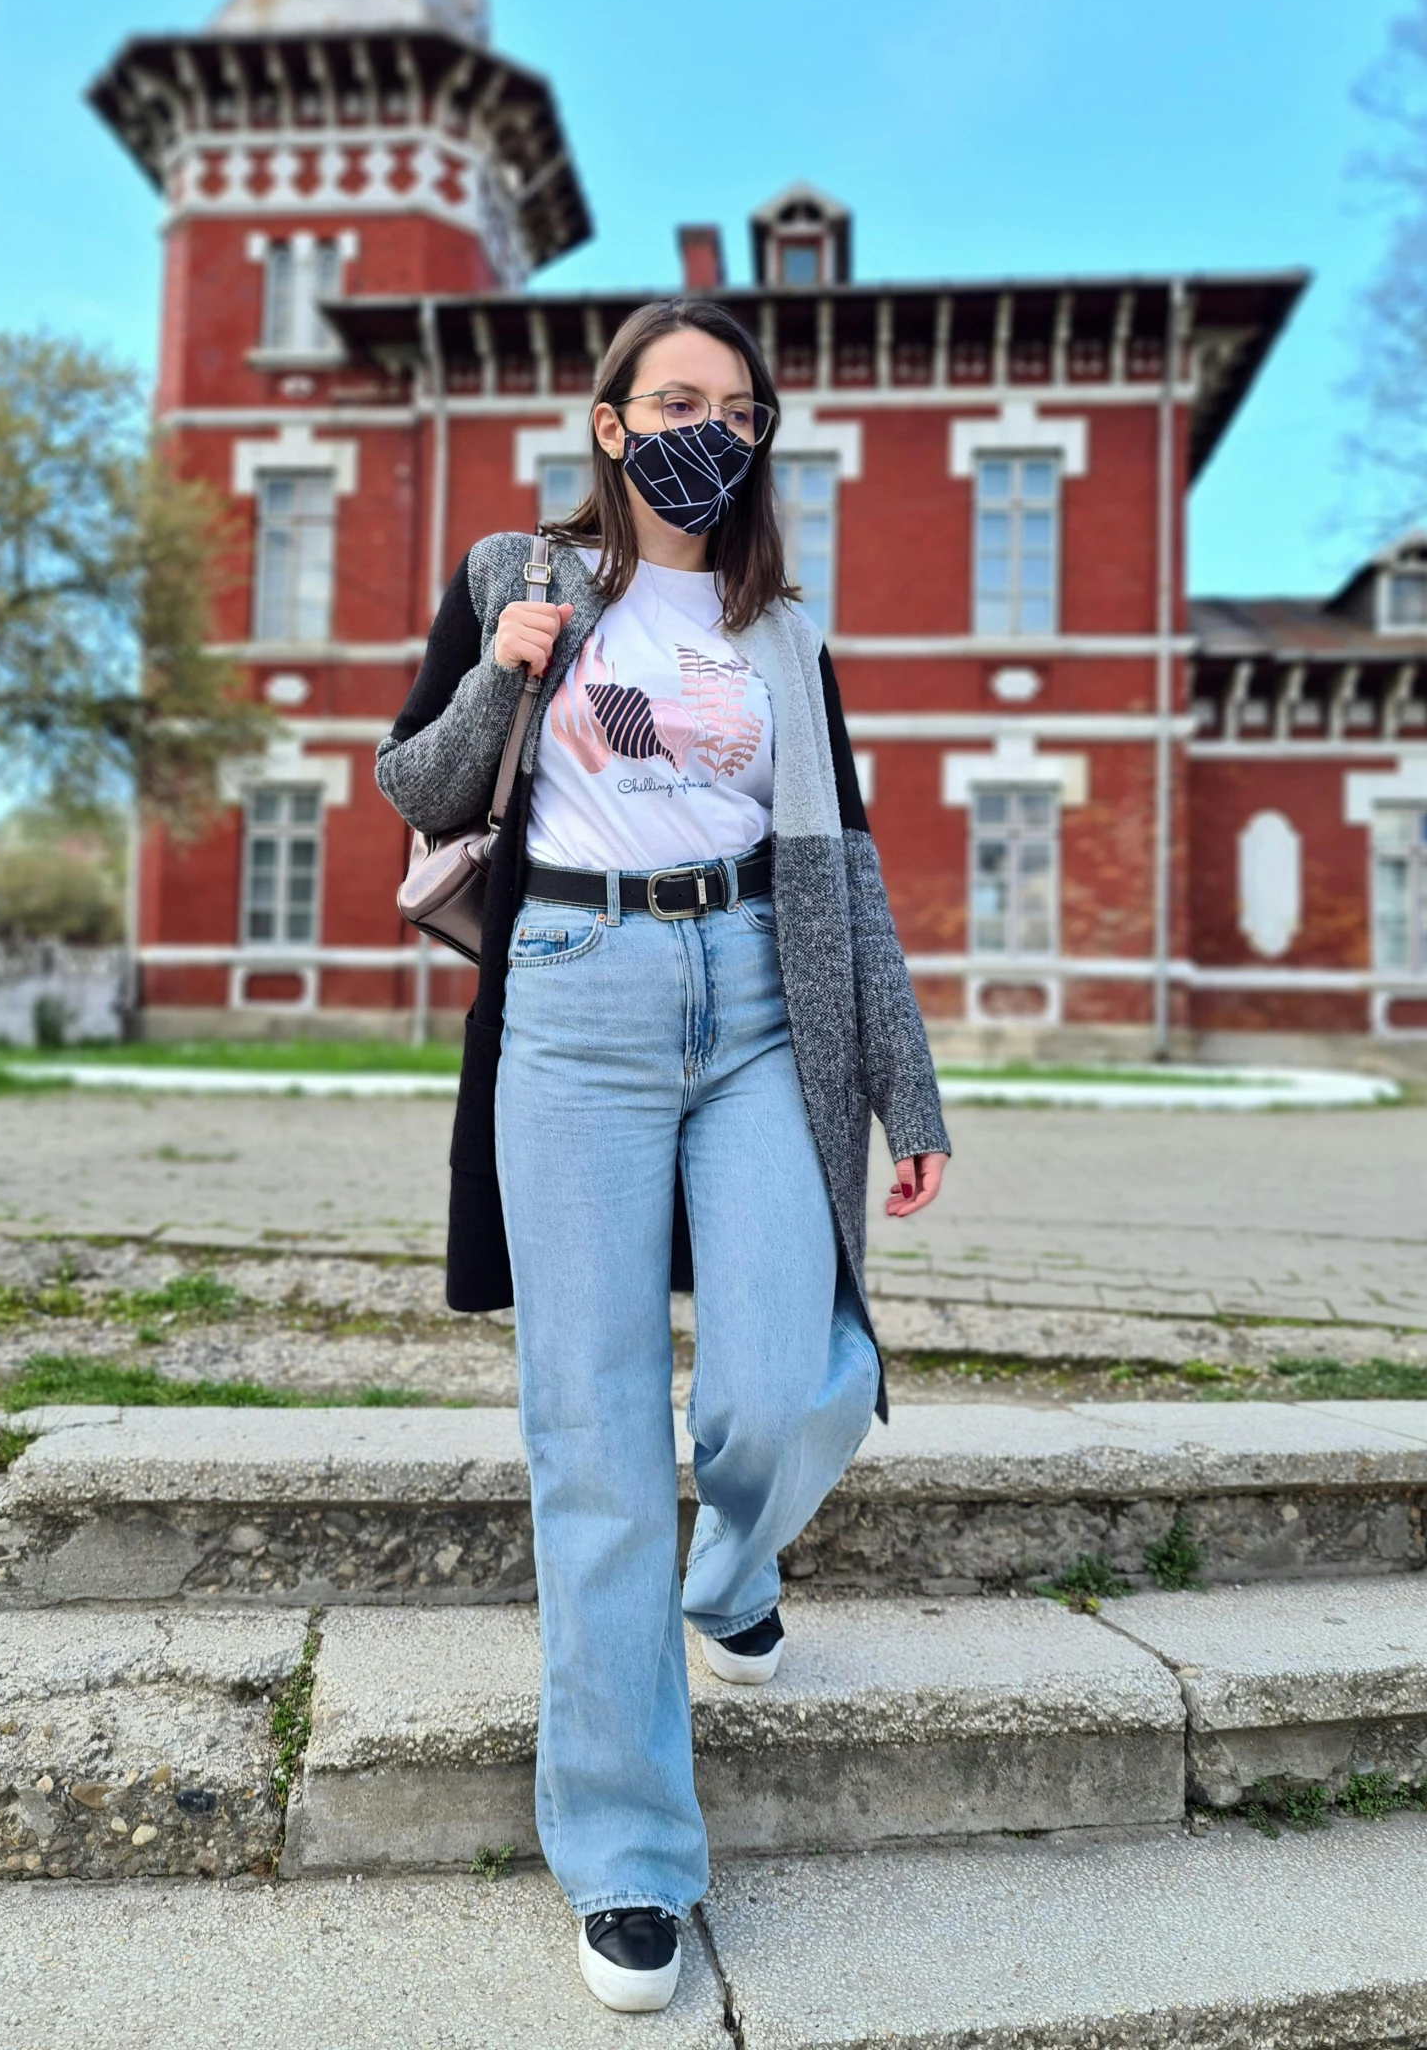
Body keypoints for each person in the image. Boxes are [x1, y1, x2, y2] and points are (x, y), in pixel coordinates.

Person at [375, 296, 949, 2012]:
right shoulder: (515, 570)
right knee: (595, 1431)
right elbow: (418, 784)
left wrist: (904, 1093)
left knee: (799, 1379)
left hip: (767, 999)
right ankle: (627, 1857)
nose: (708, 424)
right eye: (673, 396)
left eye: (737, 405)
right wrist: (512, 664)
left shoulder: (782, 630)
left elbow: (841, 868)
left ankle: (734, 1564)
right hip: (574, 994)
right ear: (613, 422)